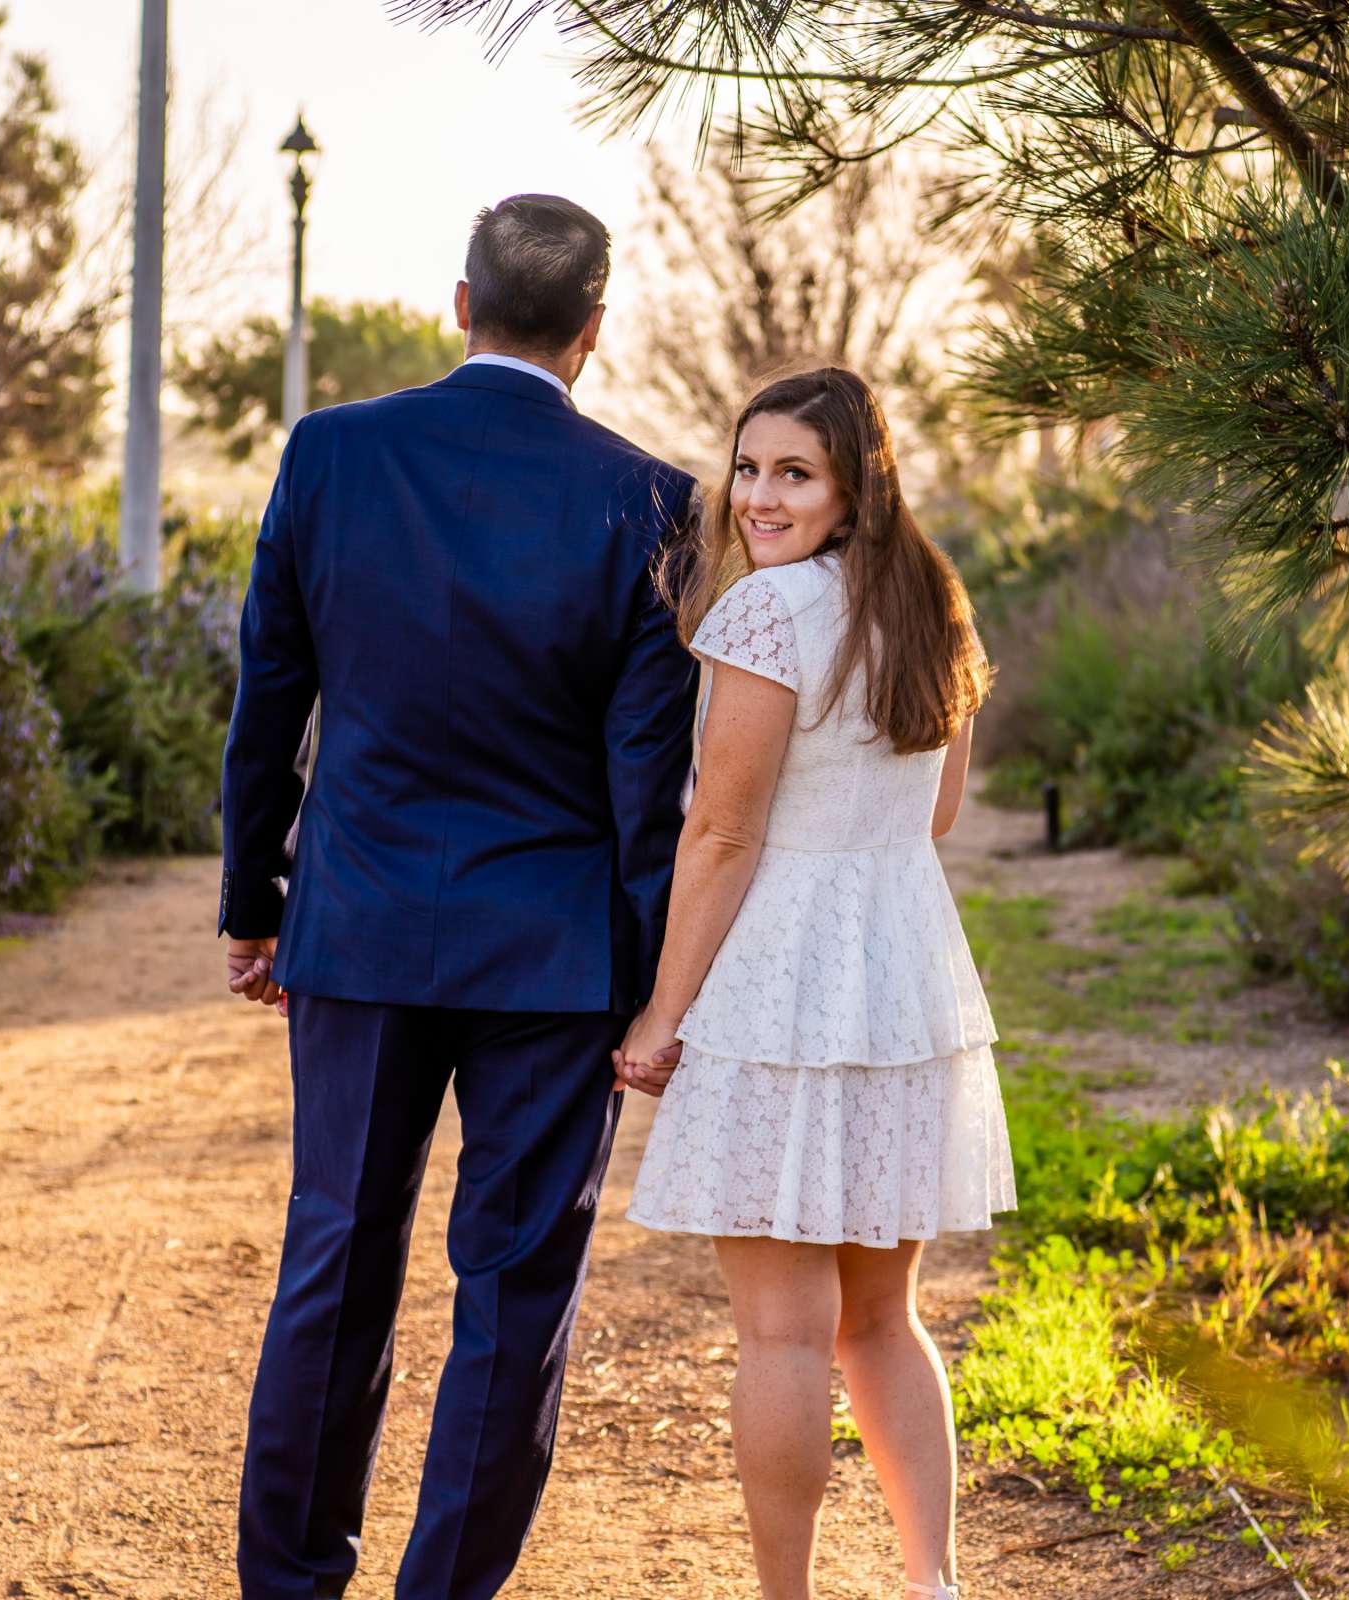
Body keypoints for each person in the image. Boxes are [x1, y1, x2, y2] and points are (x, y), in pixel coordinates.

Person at [218, 194, 699, 1600]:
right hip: (555, 961)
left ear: (458, 304)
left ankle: (290, 1586)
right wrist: (659, 983)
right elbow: (644, 787)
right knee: (513, 1297)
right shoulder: (653, 502)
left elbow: (270, 701)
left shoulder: (333, 455)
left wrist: (258, 899)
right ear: (595, 332)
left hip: (360, 927)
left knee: (335, 1259)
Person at [616, 366, 1017, 1600]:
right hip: (902, 972)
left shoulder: (765, 613)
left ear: (853, 483)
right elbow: (939, 808)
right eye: (747, 469)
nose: (759, 496)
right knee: (881, 1320)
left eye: (793, 472)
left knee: (783, 1331)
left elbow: (722, 833)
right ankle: (928, 1581)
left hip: (783, 977)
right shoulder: (935, 601)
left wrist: (662, 1014)